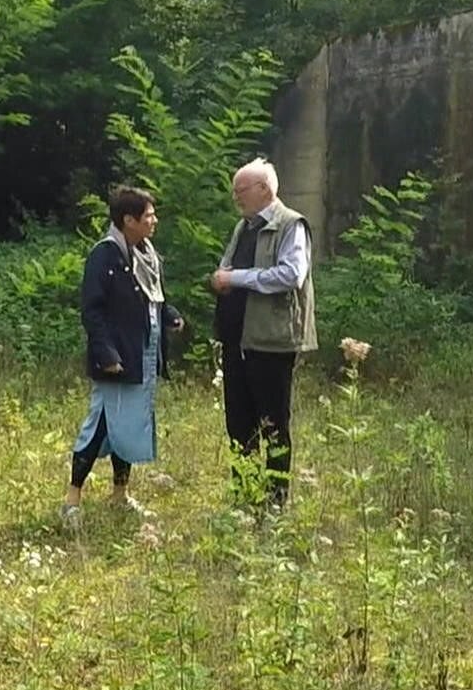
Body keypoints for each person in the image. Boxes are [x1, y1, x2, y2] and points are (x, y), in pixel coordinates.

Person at [67, 186, 183, 522]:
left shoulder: (146, 253)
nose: (154, 221)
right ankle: (72, 499)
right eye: (148, 216)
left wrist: (168, 315)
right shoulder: (105, 255)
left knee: (128, 427)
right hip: (117, 358)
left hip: (142, 355)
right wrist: (106, 353)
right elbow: (92, 309)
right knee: (101, 425)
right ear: (128, 220)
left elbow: (152, 300)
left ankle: (120, 494)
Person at [210, 157, 316, 508]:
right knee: (238, 424)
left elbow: (291, 275)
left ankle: (275, 502)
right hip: (237, 340)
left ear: (264, 189)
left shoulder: (291, 225)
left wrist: (236, 278)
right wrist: (222, 277)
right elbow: (230, 266)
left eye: (241, 190)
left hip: (271, 343)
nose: (235, 197)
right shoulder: (244, 226)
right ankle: (243, 497)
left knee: (273, 425)